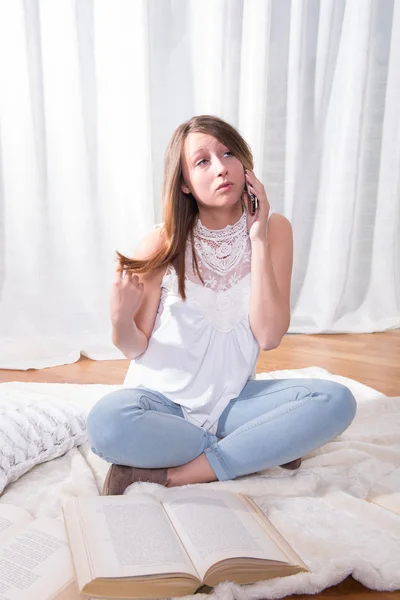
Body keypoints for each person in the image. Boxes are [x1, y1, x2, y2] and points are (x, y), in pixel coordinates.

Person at [87, 115, 357, 496]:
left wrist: (258, 237)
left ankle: (175, 474)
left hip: (234, 403)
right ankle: (261, 447)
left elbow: (269, 335)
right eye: (202, 162)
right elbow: (135, 346)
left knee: (336, 401)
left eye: (227, 153)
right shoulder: (160, 243)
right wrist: (119, 317)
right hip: (163, 406)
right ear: (183, 182)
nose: (220, 168)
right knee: (106, 424)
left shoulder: (275, 230)